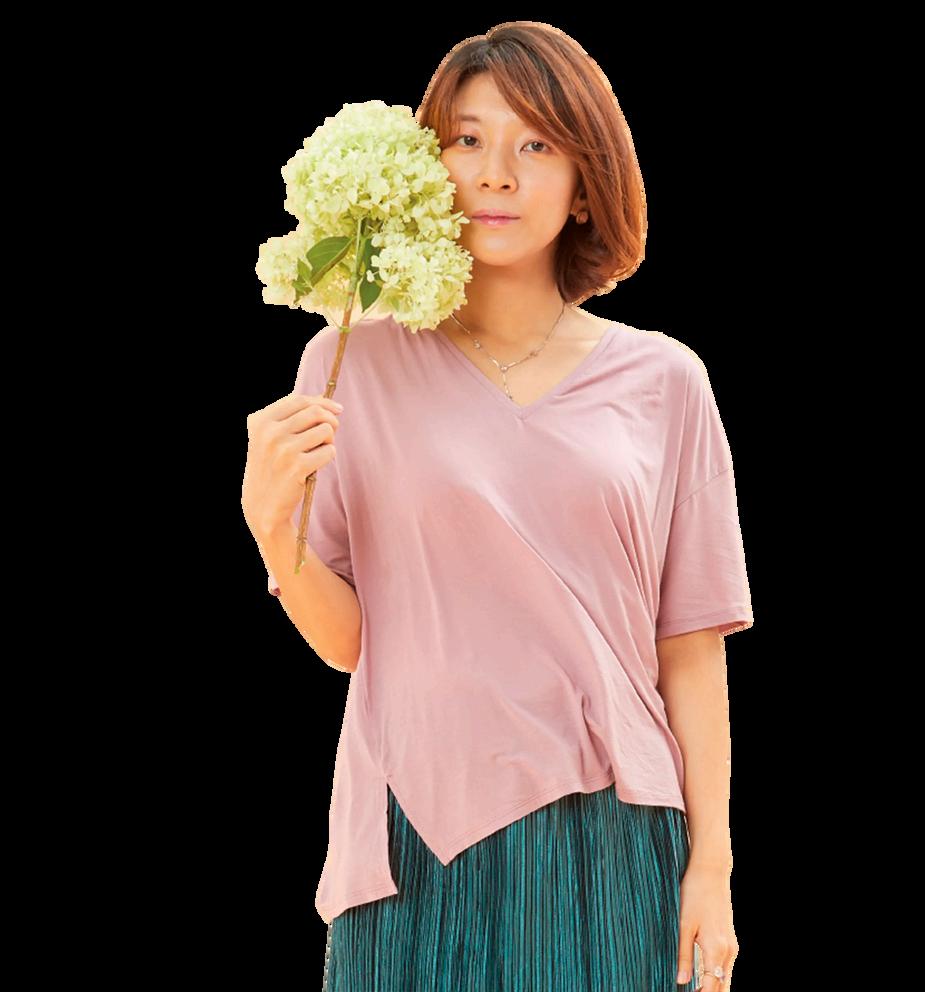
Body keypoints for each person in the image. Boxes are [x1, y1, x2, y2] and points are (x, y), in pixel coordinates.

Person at [247, 21, 750, 992]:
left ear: (585, 182)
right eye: (468, 139)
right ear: (426, 164)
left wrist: (712, 870)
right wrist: (274, 531)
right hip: (414, 834)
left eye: (536, 144)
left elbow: (690, 650)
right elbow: (351, 642)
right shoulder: (352, 360)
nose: (497, 174)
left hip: (613, 835)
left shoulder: (666, 381)